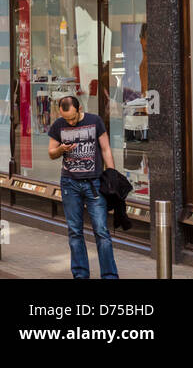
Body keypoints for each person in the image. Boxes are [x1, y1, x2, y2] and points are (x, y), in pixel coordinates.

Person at [48, 95, 119, 279]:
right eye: (66, 118)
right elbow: (51, 153)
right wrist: (61, 150)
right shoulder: (58, 125)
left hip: (93, 183)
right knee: (74, 231)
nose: (69, 122)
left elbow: (106, 149)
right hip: (69, 184)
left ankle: (110, 275)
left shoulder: (94, 121)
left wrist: (111, 174)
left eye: (72, 118)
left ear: (79, 109)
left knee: (102, 231)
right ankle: (80, 274)